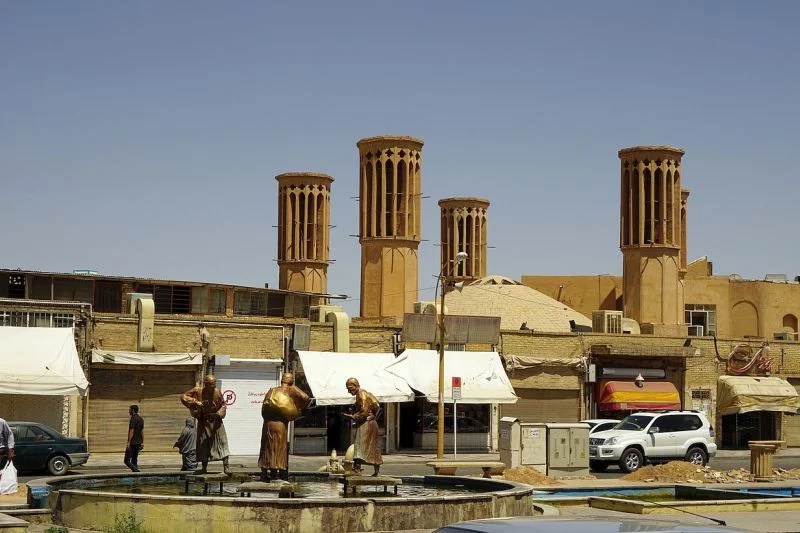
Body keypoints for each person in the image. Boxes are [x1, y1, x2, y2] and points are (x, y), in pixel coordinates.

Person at [258, 372, 310, 482]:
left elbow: (263, 409)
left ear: (282, 380)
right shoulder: (291, 389)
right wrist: (298, 408)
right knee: (277, 448)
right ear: (291, 381)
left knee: (266, 448)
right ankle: (274, 475)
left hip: (267, 424)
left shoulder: (272, 390)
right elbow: (305, 397)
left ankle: (263, 474)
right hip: (279, 425)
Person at [181, 374, 231, 475]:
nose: (213, 386)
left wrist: (219, 413)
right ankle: (204, 468)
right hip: (204, 421)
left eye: (214, 384)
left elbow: (223, 405)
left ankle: (226, 467)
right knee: (203, 444)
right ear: (206, 384)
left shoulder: (217, 392)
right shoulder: (197, 390)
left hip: (216, 421)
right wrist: (195, 402)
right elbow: (183, 397)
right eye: (211, 384)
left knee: (222, 442)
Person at [343, 378, 383, 476]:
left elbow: (364, 412)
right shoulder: (364, 394)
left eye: (350, 388)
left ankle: (356, 469)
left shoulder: (361, 394)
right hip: (370, 423)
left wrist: (353, 416)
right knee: (372, 447)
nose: (348, 391)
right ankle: (376, 470)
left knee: (359, 445)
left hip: (367, 424)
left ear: (356, 386)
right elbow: (376, 405)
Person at [124, 405, 144, 472]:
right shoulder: (141, 419)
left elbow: (132, 430)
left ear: (133, 410)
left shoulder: (133, 419)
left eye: (129, 410)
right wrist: (142, 442)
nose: (129, 411)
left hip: (133, 442)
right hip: (138, 442)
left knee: (126, 460)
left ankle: (136, 470)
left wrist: (129, 442)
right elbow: (142, 432)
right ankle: (136, 474)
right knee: (134, 459)